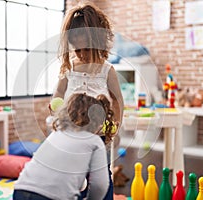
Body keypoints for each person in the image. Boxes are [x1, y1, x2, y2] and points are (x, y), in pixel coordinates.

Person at [51, 2, 124, 199]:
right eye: (77, 50)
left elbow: (116, 101)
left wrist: (114, 124)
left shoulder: (107, 71)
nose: (82, 55)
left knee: (101, 175)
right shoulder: (69, 69)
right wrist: (56, 108)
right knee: (71, 173)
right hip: (71, 134)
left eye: (86, 49)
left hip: (98, 135)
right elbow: (58, 94)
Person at [14, 93, 116, 200]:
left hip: (21, 189)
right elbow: (100, 185)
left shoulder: (56, 134)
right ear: (98, 122)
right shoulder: (94, 141)